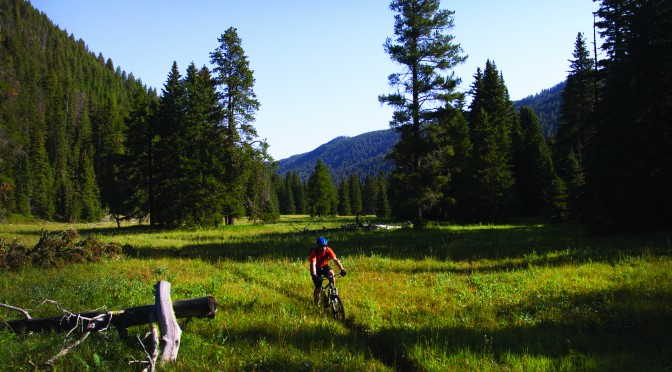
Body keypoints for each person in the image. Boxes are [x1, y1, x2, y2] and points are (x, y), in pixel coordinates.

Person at [308, 236, 346, 305]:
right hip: (316, 269)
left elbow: (335, 260)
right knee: (319, 287)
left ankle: (332, 292)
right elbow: (313, 264)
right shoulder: (314, 252)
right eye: (322, 247)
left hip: (324, 266)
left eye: (325, 246)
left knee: (332, 274)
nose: (323, 248)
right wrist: (314, 275)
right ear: (318, 246)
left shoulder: (328, 250)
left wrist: (342, 269)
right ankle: (317, 303)